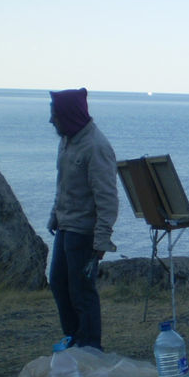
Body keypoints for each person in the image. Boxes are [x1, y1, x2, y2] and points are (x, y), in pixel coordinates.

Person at [47, 88, 118, 350]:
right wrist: (55, 214)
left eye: (55, 114)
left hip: (84, 232)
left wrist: (102, 239)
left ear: (68, 114)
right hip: (66, 226)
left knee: (81, 291)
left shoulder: (96, 147)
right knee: (58, 283)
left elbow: (107, 198)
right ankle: (74, 339)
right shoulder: (67, 140)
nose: (51, 120)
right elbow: (63, 184)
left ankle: (90, 346)